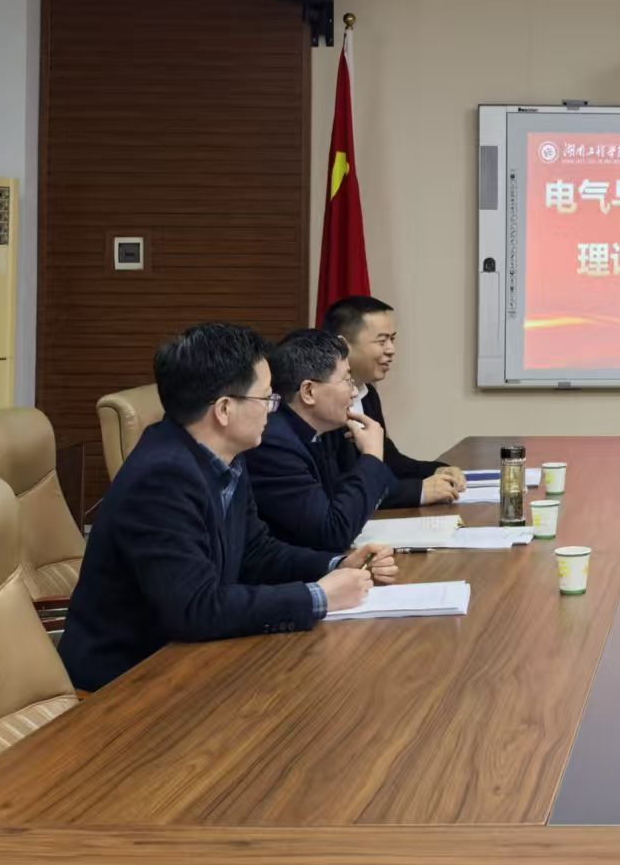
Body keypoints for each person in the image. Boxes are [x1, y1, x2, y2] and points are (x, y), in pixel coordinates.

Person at [59, 323, 397, 692]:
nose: (272, 411)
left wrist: (335, 565)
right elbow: (195, 607)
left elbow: (256, 552)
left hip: (190, 661)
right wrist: (318, 597)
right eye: (266, 399)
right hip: (127, 683)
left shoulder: (225, 455)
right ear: (224, 409)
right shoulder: (162, 477)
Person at [245, 328, 404, 551]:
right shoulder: (274, 445)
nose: (354, 392)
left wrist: (371, 459)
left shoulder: (320, 432)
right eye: (346, 380)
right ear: (309, 392)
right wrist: (371, 457)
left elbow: (366, 493)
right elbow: (333, 532)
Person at [323, 294, 465, 506]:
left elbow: (388, 460)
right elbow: (337, 487)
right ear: (343, 344)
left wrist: (436, 470)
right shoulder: (324, 402)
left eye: (393, 339)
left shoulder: (368, 394)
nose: (391, 350)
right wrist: (418, 491)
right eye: (382, 341)